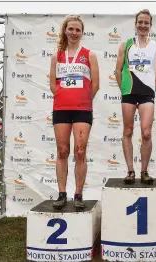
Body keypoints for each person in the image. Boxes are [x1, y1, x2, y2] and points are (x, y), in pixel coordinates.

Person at [49, 15, 100, 210]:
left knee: (80, 151)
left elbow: (96, 84)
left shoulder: (89, 55)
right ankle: (62, 194)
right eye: (71, 29)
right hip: (61, 108)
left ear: (82, 32)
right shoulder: (57, 56)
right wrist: (64, 96)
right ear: (65, 30)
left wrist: (82, 99)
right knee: (62, 151)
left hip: (82, 109)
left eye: (78, 30)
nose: (74, 33)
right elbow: (53, 85)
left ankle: (78, 194)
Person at [115, 9, 156, 185]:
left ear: (150, 25)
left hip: (146, 93)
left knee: (146, 132)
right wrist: (124, 88)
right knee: (127, 131)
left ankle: (144, 171)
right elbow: (117, 70)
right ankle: (130, 171)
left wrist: (150, 89)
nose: (143, 25)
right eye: (140, 22)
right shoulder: (125, 45)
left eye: (146, 23)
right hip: (129, 92)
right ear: (135, 24)